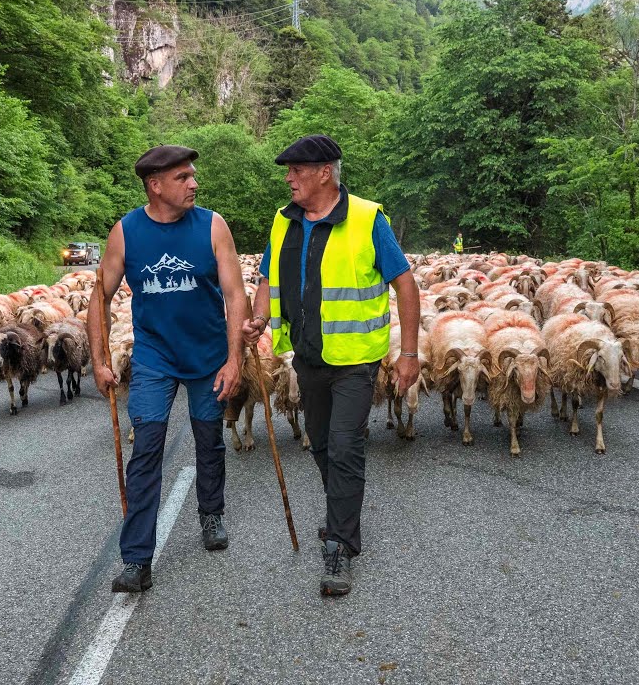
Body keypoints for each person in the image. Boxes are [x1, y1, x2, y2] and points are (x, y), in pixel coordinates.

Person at [242, 134, 420, 597]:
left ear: (325, 172)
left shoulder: (366, 219)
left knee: (345, 447)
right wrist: (259, 319)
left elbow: (405, 284)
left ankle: (340, 543)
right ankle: (340, 514)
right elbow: (266, 276)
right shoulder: (284, 221)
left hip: (356, 361)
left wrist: (410, 353)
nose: (288, 178)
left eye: (296, 171)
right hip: (307, 357)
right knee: (320, 446)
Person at [90, 145, 249, 593]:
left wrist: (235, 358)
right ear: (155, 185)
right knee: (147, 450)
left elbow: (235, 295)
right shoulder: (126, 232)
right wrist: (100, 360)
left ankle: (211, 511)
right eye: (183, 178)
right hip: (153, 358)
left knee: (208, 438)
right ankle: (137, 558)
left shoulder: (213, 226)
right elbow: (98, 297)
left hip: (207, 356)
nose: (194, 184)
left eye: (193, 176)